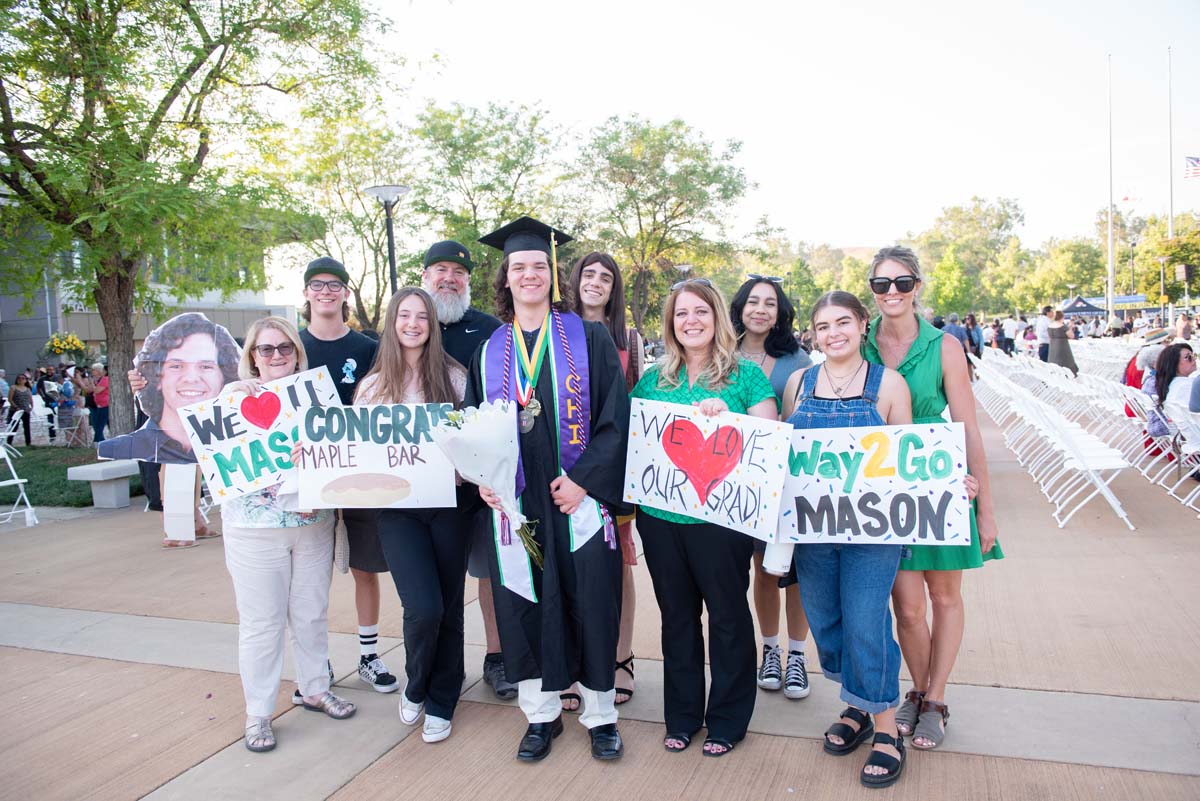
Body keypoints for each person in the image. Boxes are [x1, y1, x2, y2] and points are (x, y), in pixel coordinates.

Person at [465, 216, 630, 762]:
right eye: (519, 267)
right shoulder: (489, 352)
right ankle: (541, 716)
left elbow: (615, 419)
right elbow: (474, 430)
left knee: (591, 599)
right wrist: (487, 482)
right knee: (523, 600)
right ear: (506, 278)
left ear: (553, 276)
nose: (530, 274)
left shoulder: (590, 338)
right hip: (518, 502)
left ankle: (600, 714)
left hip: (576, 497)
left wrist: (584, 483)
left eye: (539, 265)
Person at [863, 246, 1003, 751]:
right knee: (907, 608)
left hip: (941, 483)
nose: (893, 293)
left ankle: (936, 699)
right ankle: (917, 691)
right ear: (872, 291)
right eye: (882, 285)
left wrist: (984, 506)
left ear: (917, 286)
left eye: (902, 283)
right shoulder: (861, 344)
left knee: (944, 598)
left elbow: (967, 428)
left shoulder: (944, 347)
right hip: (885, 490)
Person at [631, 278, 777, 758]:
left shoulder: (744, 375)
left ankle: (728, 720)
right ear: (671, 324)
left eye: (700, 312)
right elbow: (637, 443)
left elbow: (770, 441)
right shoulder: (654, 379)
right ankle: (682, 715)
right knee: (676, 619)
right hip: (661, 517)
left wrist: (729, 420)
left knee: (729, 617)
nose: (690, 321)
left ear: (716, 317)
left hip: (721, 523)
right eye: (680, 314)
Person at [780, 291, 916, 789]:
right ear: (812, 334)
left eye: (843, 322)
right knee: (828, 622)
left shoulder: (890, 385)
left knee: (865, 621)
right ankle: (858, 705)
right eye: (822, 326)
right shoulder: (799, 383)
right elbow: (779, 451)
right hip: (814, 531)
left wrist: (950, 480)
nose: (833, 333)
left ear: (862, 324)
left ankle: (886, 730)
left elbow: (912, 463)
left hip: (872, 533)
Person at [221, 316, 354, 752]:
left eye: (284, 348)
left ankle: (315, 687)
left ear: (297, 353)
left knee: (312, 612)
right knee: (262, 623)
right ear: (252, 357)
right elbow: (216, 453)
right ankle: (258, 713)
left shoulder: (317, 399)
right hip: (254, 529)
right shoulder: (231, 399)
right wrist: (232, 398)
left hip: (312, 524)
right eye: (266, 349)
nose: (276, 356)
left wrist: (316, 454)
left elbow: (341, 454)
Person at [355, 288, 470, 744]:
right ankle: (417, 684)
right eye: (404, 315)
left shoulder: (455, 380)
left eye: (422, 316)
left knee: (450, 609)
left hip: (449, 507)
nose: (413, 323)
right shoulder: (371, 387)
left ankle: (442, 700)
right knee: (423, 608)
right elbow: (356, 453)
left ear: (432, 324)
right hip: (397, 512)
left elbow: (473, 445)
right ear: (392, 322)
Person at [298, 257, 398, 696]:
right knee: (311, 576)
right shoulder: (291, 347)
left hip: (359, 473)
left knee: (365, 568)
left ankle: (369, 655)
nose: (325, 291)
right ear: (306, 293)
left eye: (334, 285)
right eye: (317, 285)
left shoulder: (367, 347)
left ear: (345, 293)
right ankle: (314, 666)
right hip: (307, 475)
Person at [420, 240, 514, 702]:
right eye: (440, 269)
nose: (449, 278)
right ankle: (442, 667)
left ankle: (497, 657)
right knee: (435, 580)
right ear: (425, 278)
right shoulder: (408, 325)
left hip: (482, 479)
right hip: (425, 479)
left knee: (490, 571)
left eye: (458, 272)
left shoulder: (492, 331)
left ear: (468, 282)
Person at [728, 275, 814, 701]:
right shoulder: (720, 353)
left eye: (770, 304)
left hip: (783, 479)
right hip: (731, 482)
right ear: (740, 307)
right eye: (753, 302)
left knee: (789, 568)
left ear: (780, 314)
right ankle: (771, 649)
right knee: (758, 569)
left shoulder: (797, 361)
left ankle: (797, 654)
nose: (761, 310)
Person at [570, 251, 643, 708]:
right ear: (575, 280)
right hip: (565, 466)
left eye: (606, 277)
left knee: (617, 565)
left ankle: (620, 658)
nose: (596, 282)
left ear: (614, 289)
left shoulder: (628, 339)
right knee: (571, 566)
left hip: (614, 466)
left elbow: (635, 400)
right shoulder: (557, 331)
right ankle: (575, 660)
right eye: (589, 274)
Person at [108, 313, 240, 462]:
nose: (191, 378)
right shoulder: (140, 446)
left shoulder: (238, 443)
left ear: (224, 378)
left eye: (206, 366)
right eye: (176, 366)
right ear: (156, 375)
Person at [1153, 343, 1196, 415]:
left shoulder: (1173, 384)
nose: (1194, 359)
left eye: (1193, 355)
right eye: (1188, 357)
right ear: (1174, 364)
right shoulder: (1186, 386)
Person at [1047, 310, 1079, 376]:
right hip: (1062, 346)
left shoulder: (1049, 326)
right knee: (1065, 361)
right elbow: (1072, 336)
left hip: (1052, 346)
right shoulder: (1063, 326)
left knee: (1054, 360)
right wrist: (1070, 327)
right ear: (1062, 317)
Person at [7, 374, 34, 447]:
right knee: (14, 426)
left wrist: (32, 406)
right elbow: (10, 399)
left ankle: (28, 443)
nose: (21, 380)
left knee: (27, 427)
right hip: (16, 410)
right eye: (19, 378)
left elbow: (30, 398)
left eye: (23, 378)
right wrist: (16, 407)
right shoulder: (13, 387)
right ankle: (9, 442)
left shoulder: (27, 389)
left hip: (26, 410)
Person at [35, 368, 58, 444]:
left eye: (51, 370)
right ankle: (52, 436)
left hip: (57, 400)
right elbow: (38, 388)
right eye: (48, 370)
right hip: (48, 401)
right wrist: (42, 396)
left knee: (60, 417)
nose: (50, 371)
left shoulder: (57, 377)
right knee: (50, 419)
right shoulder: (42, 379)